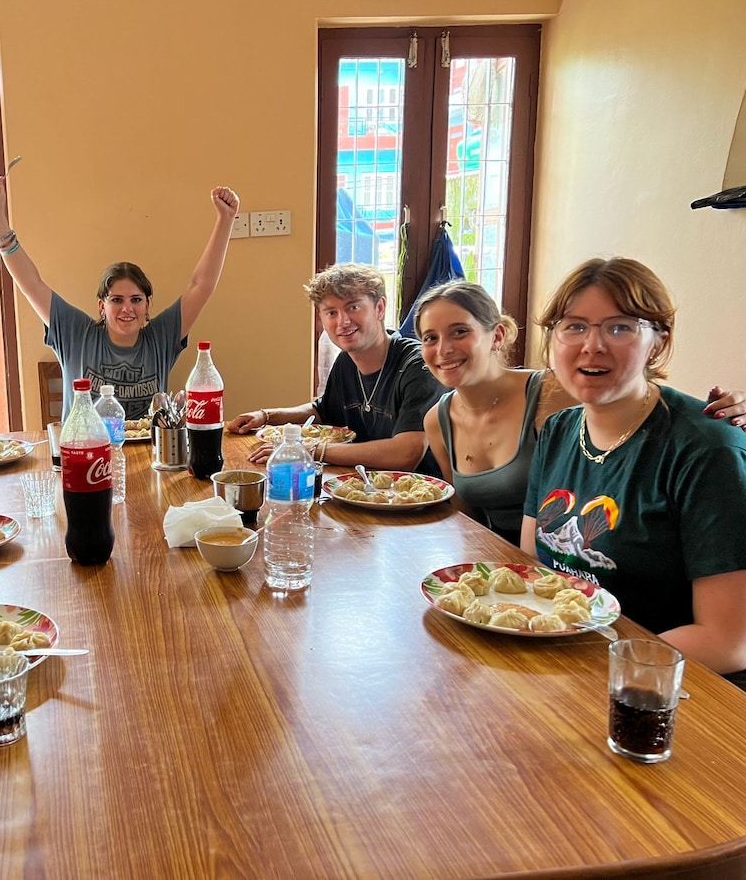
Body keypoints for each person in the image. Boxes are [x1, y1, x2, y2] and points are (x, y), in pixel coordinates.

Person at [520, 258, 746, 685]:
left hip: (668, 690)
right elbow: (535, 560)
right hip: (568, 662)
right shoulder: (559, 429)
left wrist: (587, 671)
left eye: (620, 327)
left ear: (657, 343)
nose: (592, 345)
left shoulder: (707, 449)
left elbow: (728, 639)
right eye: (574, 326)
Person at [415, 280, 746, 543]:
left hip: (585, 562)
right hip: (524, 569)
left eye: (460, 331)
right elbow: (468, 523)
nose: (443, 349)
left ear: (497, 335)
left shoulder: (556, 392)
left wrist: (729, 410)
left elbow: (643, 410)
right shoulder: (438, 419)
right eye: (430, 338)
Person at [0, 176, 240, 419]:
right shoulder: (77, 334)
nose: (127, 308)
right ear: (102, 306)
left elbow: (201, 286)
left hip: (149, 457)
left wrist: (226, 220)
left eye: (136, 299)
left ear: (147, 305)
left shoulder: (160, 338)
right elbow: (31, 284)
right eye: (116, 300)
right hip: (86, 454)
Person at [229, 262, 444, 475]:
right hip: (360, 488)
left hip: (421, 501)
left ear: (380, 308)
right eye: (331, 312)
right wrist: (265, 416)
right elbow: (323, 411)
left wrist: (310, 450)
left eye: (353, 307)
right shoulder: (346, 360)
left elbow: (405, 454)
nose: (343, 321)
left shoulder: (418, 365)